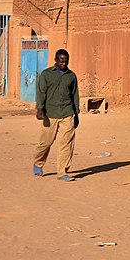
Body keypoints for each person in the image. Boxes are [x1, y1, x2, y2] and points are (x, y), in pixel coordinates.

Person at [33, 49, 79, 181]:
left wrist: (76, 114)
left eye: (66, 61)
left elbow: (75, 94)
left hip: (67, 112)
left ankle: (62, 171)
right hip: (50, 113)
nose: (64, 64)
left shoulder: (71, 76)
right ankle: (38, 162)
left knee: (67, 143)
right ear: (55, 60)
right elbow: (41, 92)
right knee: (46, 142)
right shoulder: (46, 74)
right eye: (61, 61)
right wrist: (39, 108)